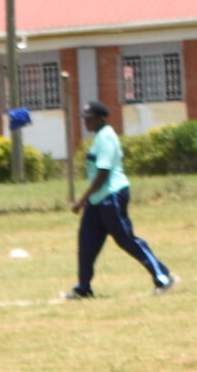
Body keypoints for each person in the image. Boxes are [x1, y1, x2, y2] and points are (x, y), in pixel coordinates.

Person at [66, 101, 174, 298]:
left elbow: (103, 173)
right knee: (87, 243)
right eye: (84, 118)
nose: (85, 122)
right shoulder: (99, 137)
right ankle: (83, 288)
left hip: (111, 196)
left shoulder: (107, 137)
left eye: (89, 118)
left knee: (125, 239)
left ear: (101, 118)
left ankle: (163, 277)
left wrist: (82, 200)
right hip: (97, 199)